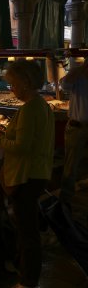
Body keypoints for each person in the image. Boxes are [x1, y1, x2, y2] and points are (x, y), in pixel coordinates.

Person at [0, 60, 55, 288]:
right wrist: (4, 132)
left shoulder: (29, 108)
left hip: (27, 176)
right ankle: (19, 264)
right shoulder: (42, 105)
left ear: (25, 83)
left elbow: (20, 146)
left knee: (27, 232)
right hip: (38, 172)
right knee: (25, 226)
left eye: (13, 84)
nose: (11, 88)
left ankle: (28, 280)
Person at [58, 58, 88, 208]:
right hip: (77, 126)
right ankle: (65, 201)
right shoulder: (78, 75)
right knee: (71, 164)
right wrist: (76, 71)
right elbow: (64, 85)